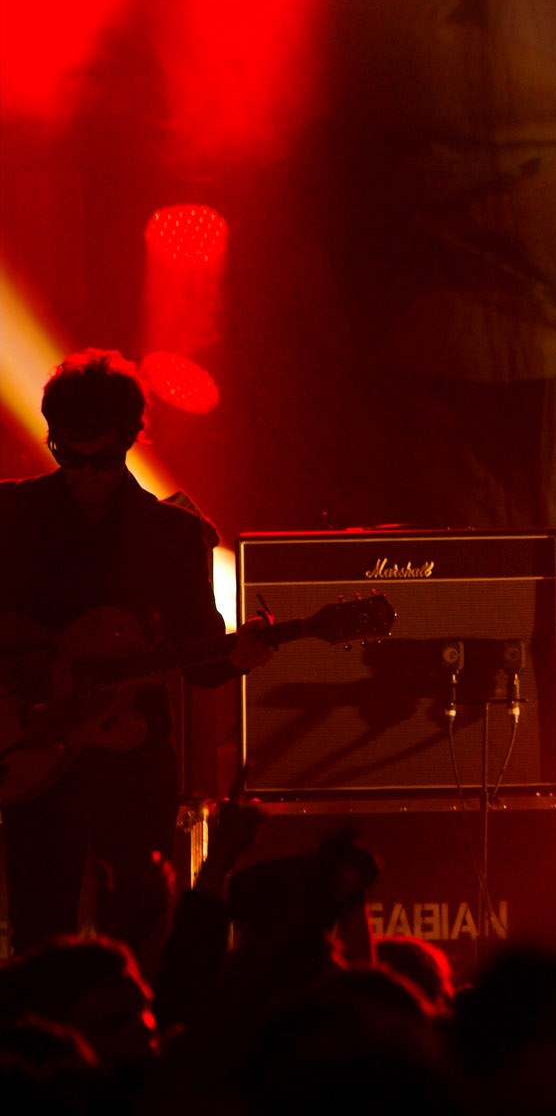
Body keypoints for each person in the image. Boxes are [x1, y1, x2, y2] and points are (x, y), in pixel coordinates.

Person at [0, 349, 273, 963]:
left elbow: (202, 659)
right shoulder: (12, 514)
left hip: (132, 763)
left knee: (140, 933)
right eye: (68, 456)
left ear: (128, 441)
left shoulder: (171, 534)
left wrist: (240, 656)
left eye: (100, 459)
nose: (85, 474)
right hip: (31, 752)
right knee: (38, 937)